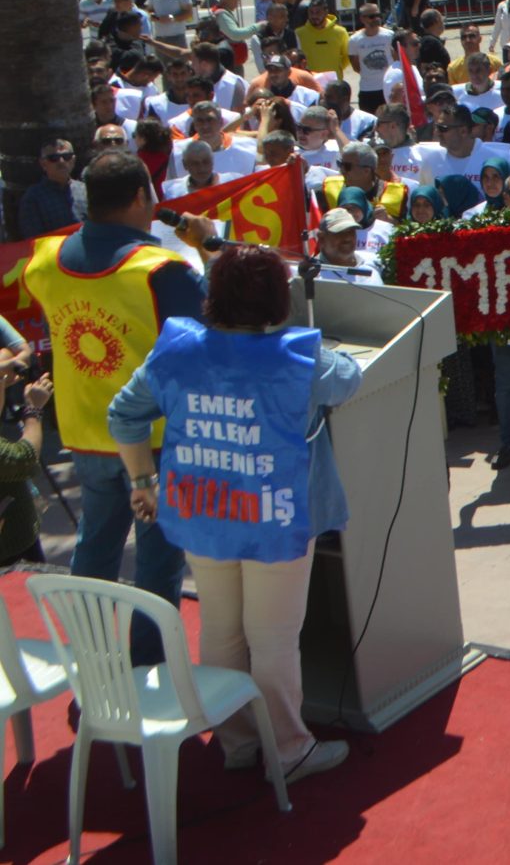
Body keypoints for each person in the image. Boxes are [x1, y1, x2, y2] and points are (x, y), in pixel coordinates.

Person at [110, 245, 359, 781]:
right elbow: (349, 378)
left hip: (202, 514)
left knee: (221, 629)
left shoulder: (177, 350)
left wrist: (142, 482)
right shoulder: (299, 359)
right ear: (277, 301)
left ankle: (238, 741)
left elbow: (123, 414)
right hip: (278, 519)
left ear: (212, 297)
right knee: (271, 639)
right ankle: (289, 750)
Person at [22, 150, 209, 662]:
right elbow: (218, 325)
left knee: (94, 550)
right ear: (137, 199)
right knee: (157, 563)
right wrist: (207, 249)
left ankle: (90, 662)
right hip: (152, 442)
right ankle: (147, 670)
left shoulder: (45, 259)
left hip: (85, 432)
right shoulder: (161, 270)